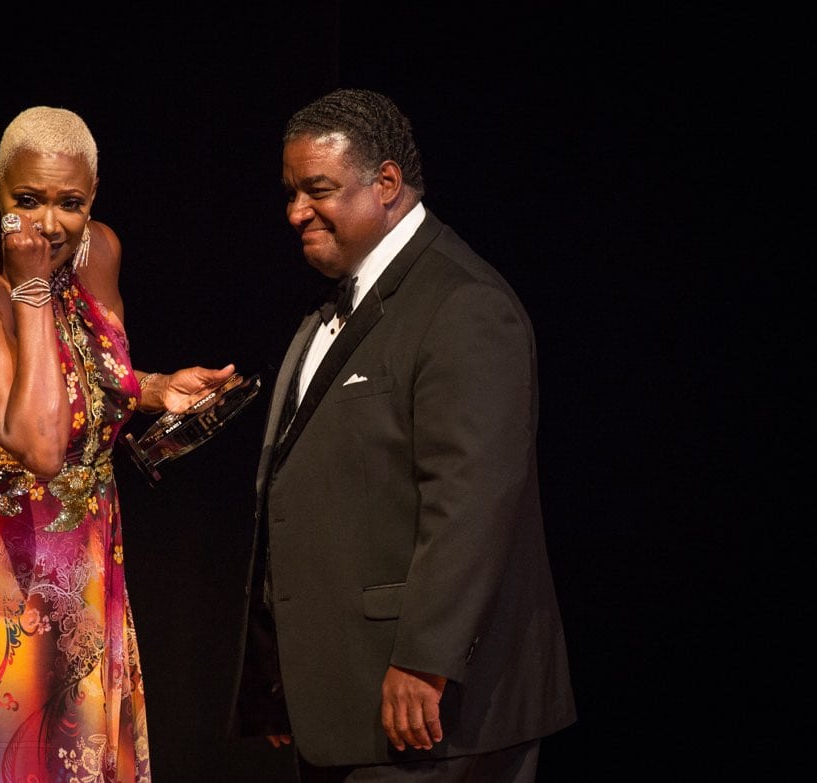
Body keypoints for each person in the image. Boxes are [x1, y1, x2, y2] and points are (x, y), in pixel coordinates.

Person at [230, 88, 576, 781]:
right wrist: (280, 673)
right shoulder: (337, 305)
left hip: (432, 712)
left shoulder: (462, 304)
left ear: (386, 183)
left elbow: (472, 503)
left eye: (317, 190)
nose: (296, 211)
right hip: (345, 700)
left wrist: (425, 659)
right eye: (291, 193)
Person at [0, 105, 235, 782]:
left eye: (69, 203)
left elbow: (86, 373)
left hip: (84, 571)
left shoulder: (100, 251)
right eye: (28, 200)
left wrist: (152, 387)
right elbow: (41, 446)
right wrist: (32, 291)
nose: (48, 225)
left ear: (93, 195)